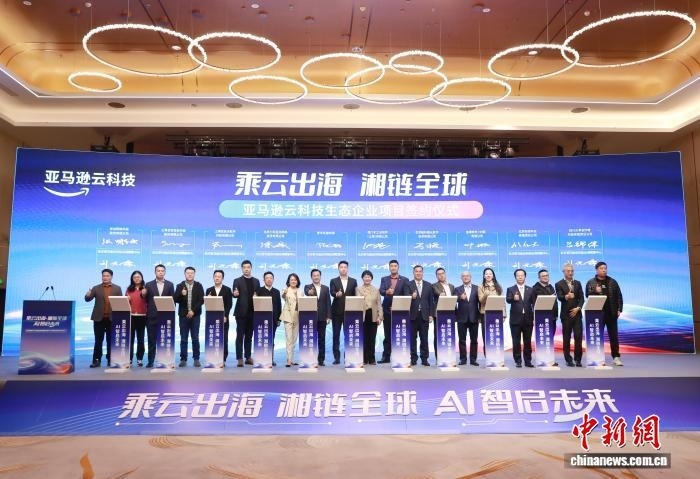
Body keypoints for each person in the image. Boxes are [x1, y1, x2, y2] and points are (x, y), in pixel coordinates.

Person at [586, 261, 624, 366]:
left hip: (611, 313)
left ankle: (616, 357)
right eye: (601, 268)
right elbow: (587, 295)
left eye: (605, 268)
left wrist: (619, 309)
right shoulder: (591, 282)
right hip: (597, 314)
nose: (604, 270)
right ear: (597, 270)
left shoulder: (613, 282)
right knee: (598, 336)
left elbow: (619, 296)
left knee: (613, 336)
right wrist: (595, 291)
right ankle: (597, 357)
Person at [85, 268, 122, 368]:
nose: (105, 277)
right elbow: (87, 299)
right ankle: (96, 360)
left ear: (111, 277)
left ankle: (111, 359)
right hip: (98, 318)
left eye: (107, 276)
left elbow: (120, 303)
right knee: (98, 340)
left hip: (112, 319)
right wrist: (87, 295)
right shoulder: (96, 288)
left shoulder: (117, 288)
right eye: (103, 276)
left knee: (111, 341)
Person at [378, 259, 410, 363]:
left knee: (399, 334)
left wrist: (397, 306)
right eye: (391, 266)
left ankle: (400, 356)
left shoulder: (405, 280)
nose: (393, 267)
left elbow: (406, 295)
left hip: (400, 311)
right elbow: (381, 291)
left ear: (398, 267)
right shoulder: (384, 279)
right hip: (387, 310)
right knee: (387, 334)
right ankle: (386, 357)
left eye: (395, 266)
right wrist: (387, 291)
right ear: (389, 267)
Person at [143, 264, 175, 368]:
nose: (160, 272)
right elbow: (145, 299)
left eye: (162, 271)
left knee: (164, 340)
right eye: (158, 271)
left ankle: (165, 360)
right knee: (151, 340)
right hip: (152, 316)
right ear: (155, 272)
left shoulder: (170, 284)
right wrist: (143, 294)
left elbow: (172, 301)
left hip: (165, 317)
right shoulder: (148, 284)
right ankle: (151, 361)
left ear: (165, 272)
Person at [174, 266, 204, 367]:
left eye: (192, 273)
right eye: (188, 273)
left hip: (195, 315)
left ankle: (196, 358)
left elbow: (201, 300)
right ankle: (183, 359)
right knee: (183, 338)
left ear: (194, 274)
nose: (190, 274)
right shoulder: (180, 286)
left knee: (195, 337)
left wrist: (193, 311)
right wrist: (181, 294)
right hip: (183, 316)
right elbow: (175, 299)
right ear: (185, 274)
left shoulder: (199, 285)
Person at [232, 259, 261, 367]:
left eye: (248, 267)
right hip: (241, 313)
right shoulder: (237, 280)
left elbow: (258, 294)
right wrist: (234, 294)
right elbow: (235, 293)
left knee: (249, 336)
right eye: (244, 267)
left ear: (251, 268)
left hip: (253, 313)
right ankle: (239, 358)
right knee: (240, 336)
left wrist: (257, 296)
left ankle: (248, 357)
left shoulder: (256, 281)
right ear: (242, 269)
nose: (246, 269)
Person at [555, 263, 584, 367]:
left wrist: (578, 308)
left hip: (577, 315)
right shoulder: (559, 284)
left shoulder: (578, 283)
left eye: (572, 271)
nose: (570, 273)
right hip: (566, 316)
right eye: (568, 271)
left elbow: (582, 298)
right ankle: (568, 359)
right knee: (566, 338)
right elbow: (560, 297)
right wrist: (567, 296)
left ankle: (578, 359)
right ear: (564, 272)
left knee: (578, 337)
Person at [329, 260, 358, 365]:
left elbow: (355, 296)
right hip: (336, 312)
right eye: (341, 267)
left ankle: (348, 356)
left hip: (349, 312)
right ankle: (336, 358)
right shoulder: (333, 280)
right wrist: (336, 294)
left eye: (345, 267)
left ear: (347, 268)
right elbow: (332, 292)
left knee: (349, 336)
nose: (343, 269)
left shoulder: (353, 281)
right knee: (336, 335)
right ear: (338, 269)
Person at [408, 264, 435, 366]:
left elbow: (431, 301)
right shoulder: (408, 284)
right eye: (416, 271)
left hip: (424, 315)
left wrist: (431, 314)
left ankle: (424, 359)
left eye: (420, 271)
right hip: (412, 315)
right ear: (413, 273)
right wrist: (411, 296)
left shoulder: (428, 285)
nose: (418, 273)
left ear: (422, 273)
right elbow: (405, 297)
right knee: (412, 339)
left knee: (424, 338)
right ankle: (413, 359)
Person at [506, 269, 534, 368]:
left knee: (527, 341)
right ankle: (518, 360)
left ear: (525, 276)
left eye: (522, 275)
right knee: (516, 341)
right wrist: (513, 298)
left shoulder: (531, 289)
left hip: (528, 319)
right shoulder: (511, 289)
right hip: (515, 319)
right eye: (518, 275)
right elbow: (508, 300)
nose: (520, 277)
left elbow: (534, 303)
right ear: (515, 277)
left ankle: (528, 361)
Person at [530, 269, 559, 367]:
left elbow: (555, 302)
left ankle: (550, 360)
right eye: (543, 276)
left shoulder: (551, 287)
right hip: (541, 318)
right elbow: (533, 304)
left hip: (552, 317)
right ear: (539, 278)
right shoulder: (535, 288)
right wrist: (534, 318)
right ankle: (542, 360)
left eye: (547, 275)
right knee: (543, 339)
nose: (545, 277)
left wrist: (556, 314)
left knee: (550, 339)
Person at [205, 269, 233, 365]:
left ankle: (223, 359)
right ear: (213, 278)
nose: (217, 278)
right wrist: (207, 299)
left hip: (223, 318)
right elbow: (206, 304)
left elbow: (229, 304)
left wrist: (225, 315)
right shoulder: (209, 290)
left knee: (223, 338)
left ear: (222, 278)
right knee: (212, 338)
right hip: (211, 318)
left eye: (219, 276)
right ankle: (212, 358)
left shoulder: (227, 289)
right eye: (215, 276)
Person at [304, 269, 331, 366]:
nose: (316, 277)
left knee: (322, 339)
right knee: (311, 339)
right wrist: (310, 292)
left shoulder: (326, 288)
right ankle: (311, 359)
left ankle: (321, 360)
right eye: (314, 275)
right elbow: (307, 292)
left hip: (323, 317)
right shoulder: (307, 287)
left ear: (320, 276)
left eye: (317, 275)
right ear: (311, 277)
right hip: (311, 317)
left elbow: (328, 302)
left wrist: (329, 316)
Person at [356, 270, 383, 365]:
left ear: (371, 278)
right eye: (365, 277)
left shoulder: (376, 290)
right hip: (363, 315)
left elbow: (379, 304)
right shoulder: (358, 289)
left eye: (369, 277)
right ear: (362, 278)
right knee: (363, 338)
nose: (367, 278)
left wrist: (380, 317)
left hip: (373, 315)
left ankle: (371, 358)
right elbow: (358, 301)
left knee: (372, 338)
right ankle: (364, 358)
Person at [256, 271, 282, 366]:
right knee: (261, 339)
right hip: (261, 320)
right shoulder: (259, 291)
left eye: (271, 278)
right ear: (264, 280)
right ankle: (260, 359)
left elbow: (279, 306)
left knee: (271, 339)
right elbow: (255, 305)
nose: (269, 279)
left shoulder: (276, 291)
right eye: (267, 278)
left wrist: (279, 319)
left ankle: (270, 359)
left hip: (273, 319)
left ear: (273, 280)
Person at [454, 271, 480, 366]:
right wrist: (460, 297)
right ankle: (463, 359)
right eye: (463, 276)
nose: (465, 277)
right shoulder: (457, 289)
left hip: (474, 317)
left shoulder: (477, 288)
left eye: (467, 276)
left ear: (470, 277)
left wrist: (480, 316)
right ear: (461, 278)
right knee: (462, 340)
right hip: (461, 318)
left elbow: (480, 302)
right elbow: (453, 300)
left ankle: (473, 360)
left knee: (474, 340)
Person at [478, 267, 503, 357]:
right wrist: (486, 294)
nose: (488, 275)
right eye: (486, 274)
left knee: (497, 335)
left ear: (493, 276)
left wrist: (504, 315)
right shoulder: (481, 286)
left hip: (497, 313)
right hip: (485, 313)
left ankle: (497, 355)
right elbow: (481, 301)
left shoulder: (498, 286)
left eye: (490, 274)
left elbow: (502, 301)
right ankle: (488, 356)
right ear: (484, 276)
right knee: (487, 335)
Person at [432, 267, 455, 361]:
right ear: (436, 276)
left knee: (449, 335)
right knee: (439, 336)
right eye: (439, 274)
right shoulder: (434, 286)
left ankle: (449, 356)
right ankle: (439, 358)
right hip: (439, 314)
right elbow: (437, 292)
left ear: (445, 274)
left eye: (442, 273)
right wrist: (441, 294)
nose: (441, 275)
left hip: (450, 314)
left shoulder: (452, 286)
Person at [126, 270, 147, 367]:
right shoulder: (129, 289)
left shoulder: (146, 288)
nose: (137, 279)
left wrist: (145, 294)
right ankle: (129, 359)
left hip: (143, 316)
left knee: (140, 339)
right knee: (130, 339)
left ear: (142, 278)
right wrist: (127, 299)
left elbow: (149, 301)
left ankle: (139, 358)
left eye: (138, 277)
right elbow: (124, 302)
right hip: (131, 316)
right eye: (134, 277)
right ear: (132, 279)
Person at [281, 273, 301, 367]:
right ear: (289, 281)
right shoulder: (285, 290)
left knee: (294, 339)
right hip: (288, 316)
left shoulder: (300, 291)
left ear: (297, 281)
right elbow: (283, 296)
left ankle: (291, 359)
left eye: (295, 280)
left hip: (297, 316)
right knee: (289, 338)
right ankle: (288, 359)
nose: (293, 281)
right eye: (291, 280)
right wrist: (285, 293)